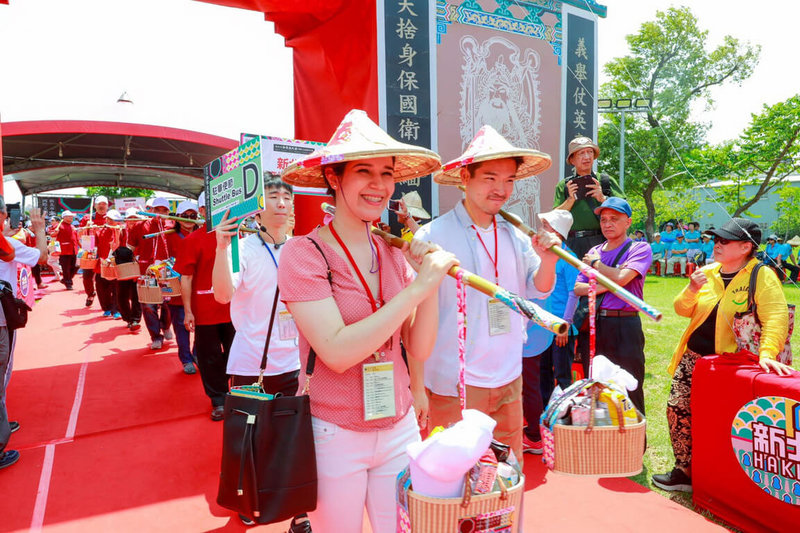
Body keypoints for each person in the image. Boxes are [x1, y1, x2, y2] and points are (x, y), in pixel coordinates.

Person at [278, 110, 457, 533]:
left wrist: (429, 284)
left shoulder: (393, 251)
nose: (379, 185)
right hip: (333, 431)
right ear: (333, 178)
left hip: (400, 425)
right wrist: (416, 289)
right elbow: (337, 352)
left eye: (387, 173)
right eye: (364, 171)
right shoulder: (305, 254)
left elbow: (418, 347)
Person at [416, 124, 559, 461]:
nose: (502, 189)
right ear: (465, 177)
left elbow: (537, 290)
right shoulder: (432, 235)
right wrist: (416, 383)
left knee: (510, 476)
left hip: (510, 374)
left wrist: (548, 261)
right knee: (456, 483)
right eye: (491, 178)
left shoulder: (514, 233)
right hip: (456, 382)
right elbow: (415, 316)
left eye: (509, 180)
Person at [652, 218, 791, 492]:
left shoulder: (761, 275)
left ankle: (726, 480)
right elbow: (681, 309)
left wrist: (767, 353)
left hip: (732, 365)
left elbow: (775, 316)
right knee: (678, 410)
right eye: (716, 239)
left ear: (745, 247)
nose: (717, 244)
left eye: (724, 240)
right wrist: (692, 288)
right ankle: (685, 471)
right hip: (694, 358)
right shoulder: (709, 271)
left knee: (725, 420)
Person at [574, 197, 652, 414]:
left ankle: (635, 444)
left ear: (628, 222)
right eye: (604, 219)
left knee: (630, 384)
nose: (607, 224)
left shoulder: (639, 248)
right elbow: (579, 288)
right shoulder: (595, 250)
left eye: (614, 219)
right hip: (596, 323)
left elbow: (622, 277)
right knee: (596, 385)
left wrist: (596, 267)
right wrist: (613, 283)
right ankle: (603, 442)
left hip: (625, 325)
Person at [176, 192, 234, 420]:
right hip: (206, 311)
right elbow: (186, 278)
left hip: (235, 309)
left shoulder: (238, 237)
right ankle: (218, 399)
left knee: (237, 353)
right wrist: (188, 310)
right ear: (202, 211)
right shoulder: (192, 241)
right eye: (211, 207)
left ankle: (237, 392)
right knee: (209, 357)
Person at [0, 202, 48, 471]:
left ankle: (3, 421)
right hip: (1, 320)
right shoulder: (6, 244)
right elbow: (42, 256)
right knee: (2, 372)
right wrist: (39, 229)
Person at [535, 210, 579, 407]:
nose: (542, 230)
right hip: (543, 325)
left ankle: (564, 418)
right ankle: (546, 415)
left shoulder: (569, 257)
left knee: (562, 374)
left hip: (561, 326)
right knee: (542, 371)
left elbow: (574, 292)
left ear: (557, 232)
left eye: (546, 226)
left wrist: (565, 324)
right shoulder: (543, 254)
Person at [554, 136, 624, 259]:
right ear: (572, 160)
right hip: (572, 243)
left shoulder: (605, 181)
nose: (587, 157)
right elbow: (555, 218)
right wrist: (570, 200)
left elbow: (625, 209)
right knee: (575, 278)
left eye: (590, 152)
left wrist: (603, 198)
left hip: (602, 241)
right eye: (581, 153)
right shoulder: (564, 185)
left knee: (600, 277)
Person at [128, 198, 174, 351]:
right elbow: (130, 248)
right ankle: (155, 336)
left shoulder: (173, 226)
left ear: (168, 212)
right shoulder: (140, 226)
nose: (160, 213)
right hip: (146, 273)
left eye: (164, 210)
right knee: (148, 305)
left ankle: (166, 325)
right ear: (151, 210)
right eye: (157, 210)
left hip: (166, 273)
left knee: (168, 302)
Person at [79, 196, 110, 308]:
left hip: (106, 251)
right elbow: (79, 235)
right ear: (94, 206)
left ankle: (108, 302)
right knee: (87, 276)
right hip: (90, 249)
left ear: (107, 206)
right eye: (99, 204)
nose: (101, 206)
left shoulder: (111, 217)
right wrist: (86, 227)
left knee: (105, 277)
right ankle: (90, 294)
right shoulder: (87, 218)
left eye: (104, 204)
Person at [115, 208, 143, 330]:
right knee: (122, 294)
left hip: (138, 264)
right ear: (126, 220)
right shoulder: (121, 231)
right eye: (130, 218)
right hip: (124, 266)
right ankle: (128, 318)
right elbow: (115, 247)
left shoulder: (143, 230)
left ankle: (135, 320)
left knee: (136, 294)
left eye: (135, 218)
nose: (133, 221)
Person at [94, 208, 122, 318]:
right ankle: (106, 308)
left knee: (116, 288)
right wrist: (90, 232)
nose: (109, 221)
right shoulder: (100, 230)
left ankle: (116, 310)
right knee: (101, 286)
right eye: (108, 219)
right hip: (102, 263)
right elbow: (92, 244)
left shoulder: (121, 230)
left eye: (112, 219)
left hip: (116, 264)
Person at [52, 210, 79, 290]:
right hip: (64, 250)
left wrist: (82, 247)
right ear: (64, 217)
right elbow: (52, 234)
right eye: (69, 216)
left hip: (73, 249)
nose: (71, 218)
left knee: (75, 267)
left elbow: (76, 238)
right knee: (66, 268)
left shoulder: (73, 226)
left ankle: (65, 279)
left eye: (72, 217)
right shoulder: (59, 226)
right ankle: (68, 283)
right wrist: (55, 232)